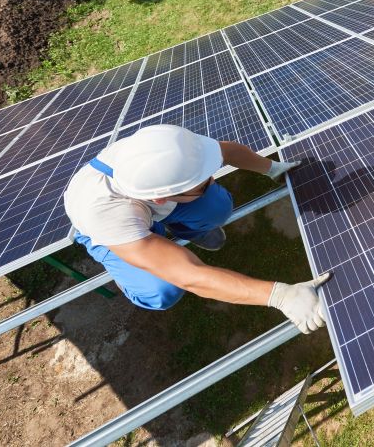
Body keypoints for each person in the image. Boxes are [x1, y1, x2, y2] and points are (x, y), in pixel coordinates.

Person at [63, 124, 329, 334]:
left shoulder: (166, 150)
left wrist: (272, 169)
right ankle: (130, 274)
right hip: (111, 231)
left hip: (146, 206)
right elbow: (189, 276)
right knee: (161, 290)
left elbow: (228, 152)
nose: (211, 179)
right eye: (200, 183)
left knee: (217, 205)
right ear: (160, 199)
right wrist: (281, 296)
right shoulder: (109, 218)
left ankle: (186, 231)